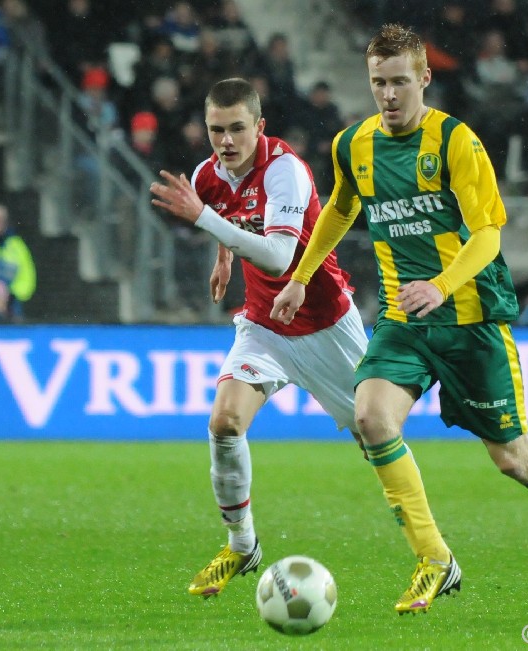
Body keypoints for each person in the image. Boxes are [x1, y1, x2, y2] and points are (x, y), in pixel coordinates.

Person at [271, 23, 528, 621]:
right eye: (378, 83)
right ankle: (435, 559)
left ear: (424, 79)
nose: (387, 95)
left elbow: (489, 233)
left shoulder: (455, 142)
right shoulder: (352, 145)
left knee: (514, 458)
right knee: (371, 418)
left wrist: (440, 285)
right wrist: (302, 275)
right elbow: (340, 208)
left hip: (471, 319)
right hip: (403, 317)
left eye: (399, 83)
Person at [149, 78, 369, 597]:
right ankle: (242, 545)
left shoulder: (285, 171)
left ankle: (432, 554)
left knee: (376, 438)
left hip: (326, 323)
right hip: (265, 325)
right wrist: (223, 256)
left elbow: (276, 256)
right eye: (215, 129)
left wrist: (205, 220)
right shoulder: (208, 175)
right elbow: (224, 215)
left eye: (237, 129)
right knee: (224, 423)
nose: (225, 141)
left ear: (260, 127)